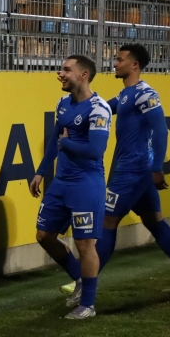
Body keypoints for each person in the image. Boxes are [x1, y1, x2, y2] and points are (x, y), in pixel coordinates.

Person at [66, 44, 170, 294]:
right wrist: (78, 98)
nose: (115, 63)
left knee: (108, 221)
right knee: (154, 221)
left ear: (134, 65)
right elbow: (101, 107)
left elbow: (161, 130)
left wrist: (157, 167)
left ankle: (83, 282)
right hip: (136, 170)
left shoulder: (146, 94)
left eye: (120, 59)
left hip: (133, 170)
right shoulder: (126, 94)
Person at [30, 55, 112, 320]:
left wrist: (66, 144)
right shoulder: (63, 104)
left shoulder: (99, 109)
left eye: (67, 70)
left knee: (84, 243)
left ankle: (88, 305)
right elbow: (55, 138)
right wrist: (41, 171)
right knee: (44, 235)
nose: (60, 74)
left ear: (83, 75)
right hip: (61, 183)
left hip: (86, 185)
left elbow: (95, 151)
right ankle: (79, 280)